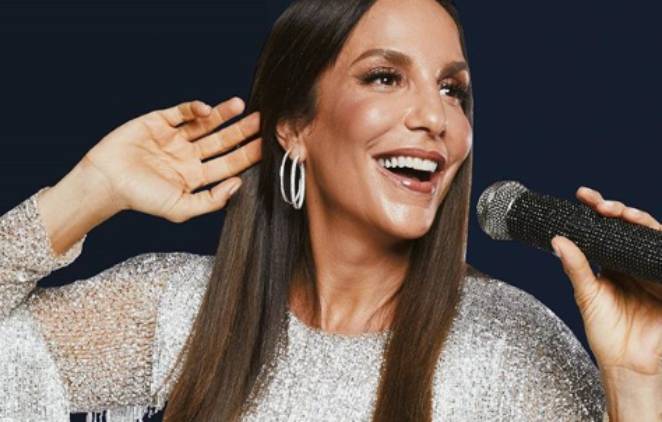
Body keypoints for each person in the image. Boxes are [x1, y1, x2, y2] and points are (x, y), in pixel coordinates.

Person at [1, 0, 660, 420]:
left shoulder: (516, 348)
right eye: (385, 77)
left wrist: (637, 383)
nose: (435, 118)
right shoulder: (179, 312)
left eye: (452, 90)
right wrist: (88, 191)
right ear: (295, 126)